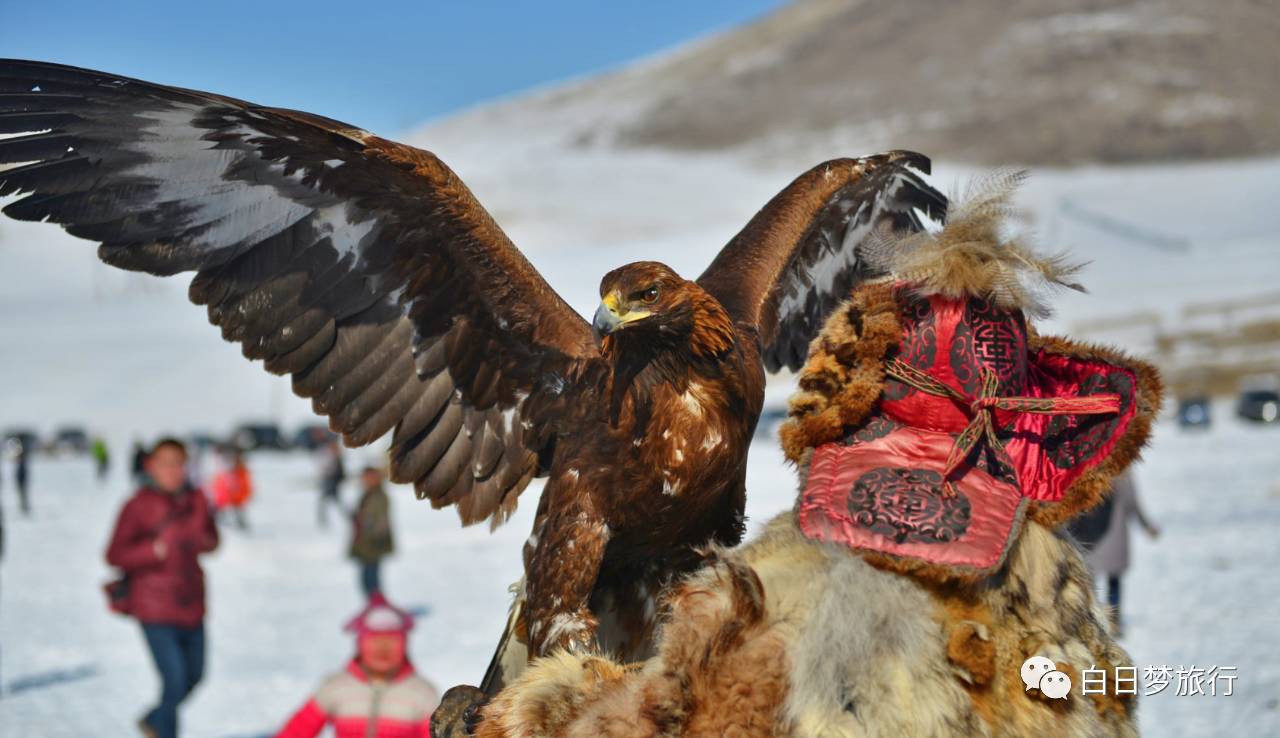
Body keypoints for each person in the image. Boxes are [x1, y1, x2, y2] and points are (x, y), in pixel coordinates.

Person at [433, 179, 1161, 738]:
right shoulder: (1064, 630)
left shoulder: (776, 608)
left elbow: (661, 718)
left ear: (845, 406)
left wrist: (513, 715)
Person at [105, 437, 219, 738]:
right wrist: (151, 551)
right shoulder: (137, 505)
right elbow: (114, 554)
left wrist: (207, 539)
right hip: (153, 607)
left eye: (178, 464)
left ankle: (154, 719)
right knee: (173, 680)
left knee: (194, 677)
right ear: (151, 466)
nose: (172, 471)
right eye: (165, 464)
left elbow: (212, 539)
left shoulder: (196, 499)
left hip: (192, 603)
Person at [275, 594, 439, 738]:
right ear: (359, 645)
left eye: (392, 641)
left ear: (405, 645)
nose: (383, 649)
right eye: (375, 641)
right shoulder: (336, 687)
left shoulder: (422, 694)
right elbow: (297, 731)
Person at [1086, 470, 1160, 635]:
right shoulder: (1121, 472)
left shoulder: (1090, 466)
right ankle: (1113, 620)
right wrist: (1146, 525)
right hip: (1115, 534)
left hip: (1088, 536)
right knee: (1114, 581)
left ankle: (1091, 619)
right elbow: (1132, 502)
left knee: (1089, 581)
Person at [350, 465, 394, 598]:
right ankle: (372, 604)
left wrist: (370, 529)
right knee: (365, 577)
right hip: (365, 543)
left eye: (368, 478)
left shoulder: (380, 496)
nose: (364, 481)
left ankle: (376, 604)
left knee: (371, 577)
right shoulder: (367, 494)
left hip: (373, 543)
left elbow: (381, 520)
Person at [209, 445, 253, 531]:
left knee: (237, 510)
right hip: (224, 497)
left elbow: (244, 485)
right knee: (220, 511)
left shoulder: (241, 472)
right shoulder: (226, 471)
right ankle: (218, 522)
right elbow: (219, 484)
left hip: (235, 497)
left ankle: (240, 525)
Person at [317, 438, 346, 529]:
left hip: (335, 481)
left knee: (335, 500)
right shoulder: (326, 454)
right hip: (329, 480)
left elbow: (341, 470)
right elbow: (324, 468)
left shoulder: (338, 455)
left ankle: (340, 518)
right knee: (325, 500)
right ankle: (324, 520)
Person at [14, 440, 30, 516]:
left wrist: (21, 481)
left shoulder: (22, 465)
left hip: (22, 483)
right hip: (21, 482)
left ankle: (25, 507)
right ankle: (23, 507)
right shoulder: (21, 465)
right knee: (22, 495)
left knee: (23, 495)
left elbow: (23, 475)